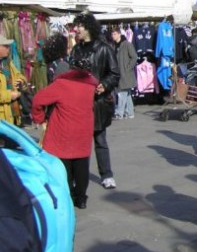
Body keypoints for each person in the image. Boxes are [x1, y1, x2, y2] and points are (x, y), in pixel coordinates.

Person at [31, 58, 98, 209]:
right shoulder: (91, 85)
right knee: (82, 167)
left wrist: (39, 118)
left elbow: (38, 100)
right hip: (83, 131)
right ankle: (81, 199)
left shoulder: (61, 85)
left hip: (63, 132)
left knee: (63, 168)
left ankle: (67, 197)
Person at [69, 12, 120, 190]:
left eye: (80, 26)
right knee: (79, 142)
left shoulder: (104, 49)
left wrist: (104, 85)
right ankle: (78, 176)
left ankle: (106, 175)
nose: (76, 29)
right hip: (79, 103)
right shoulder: (76, 50)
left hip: (98, 103)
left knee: (100, 140)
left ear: (88, 28)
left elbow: (114, 73)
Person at [111, 28, 138, 119]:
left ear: (119, 34)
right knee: (127, 94)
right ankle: (130, 112)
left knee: (121, 93)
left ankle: (120, 113)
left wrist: (128, 68)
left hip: (125, 73)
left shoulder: (127, 44)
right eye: (112, 34)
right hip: (119, 73)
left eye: (114, 34)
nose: (113, 36)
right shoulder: (114, 45)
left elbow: (134, 57)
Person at [0, 35, 27, 125]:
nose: (9, 49)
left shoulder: (7, 62)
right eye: (6, 46)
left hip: (12, 113)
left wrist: (21, 81)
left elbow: (19, 75)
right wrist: (9, 95)